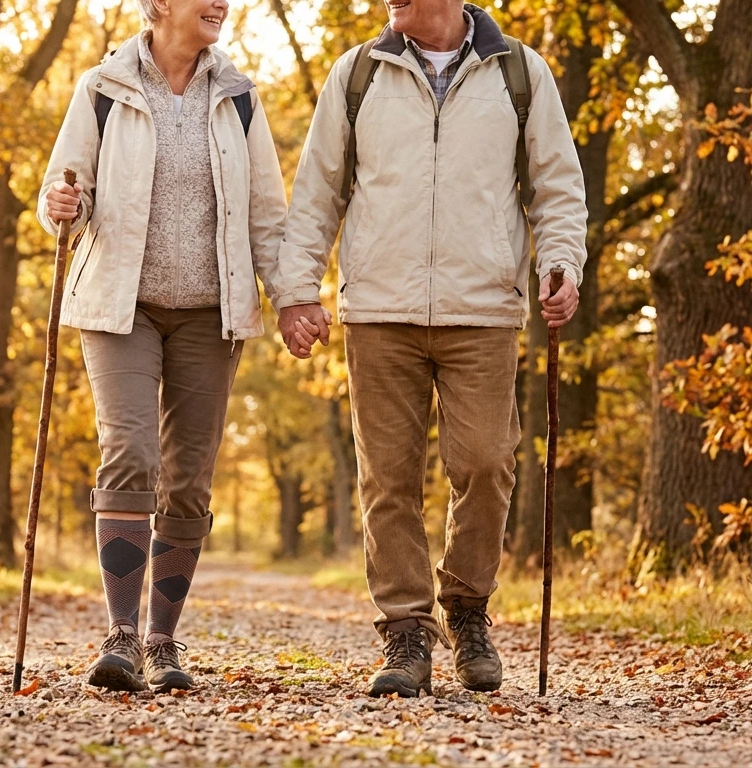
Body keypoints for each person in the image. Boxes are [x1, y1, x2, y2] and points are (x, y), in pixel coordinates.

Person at [276, 0, 588, 697]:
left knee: (485, 461)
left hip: (483, 310)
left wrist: (560, 262)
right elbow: (317, 192)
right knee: (387, 477)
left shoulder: (520, 73)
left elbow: (557, 187)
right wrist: (298, 290)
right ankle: (406, 630)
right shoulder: (358, 74)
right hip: (379, 310)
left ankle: (468, 607)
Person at [36, 0, 290, 693]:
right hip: (121, 307)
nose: (219, 5)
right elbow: (64, 189)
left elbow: (268, 212)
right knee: (130, 450)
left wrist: (292, 296)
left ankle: (162, 641)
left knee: (189, 476)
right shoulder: (104, 87)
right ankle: (120, 635)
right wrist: (62, 206)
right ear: (158, 5)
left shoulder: (237, 99)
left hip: (212, 312)